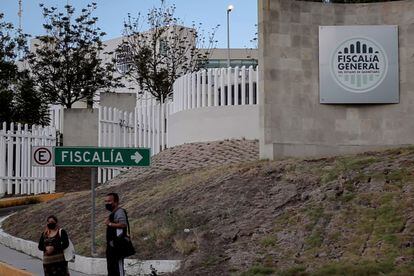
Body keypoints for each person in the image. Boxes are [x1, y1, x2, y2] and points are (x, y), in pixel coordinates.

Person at [105, 192, 128, 276]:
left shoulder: (120, 212)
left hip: (117, 247)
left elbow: (123, 224)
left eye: (109, 201)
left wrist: (109, 224)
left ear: (116, 202)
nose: (107, 203)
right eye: (106, 201)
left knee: (118, 270)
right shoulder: (113, 213)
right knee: (112, 270)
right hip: (111, 247)